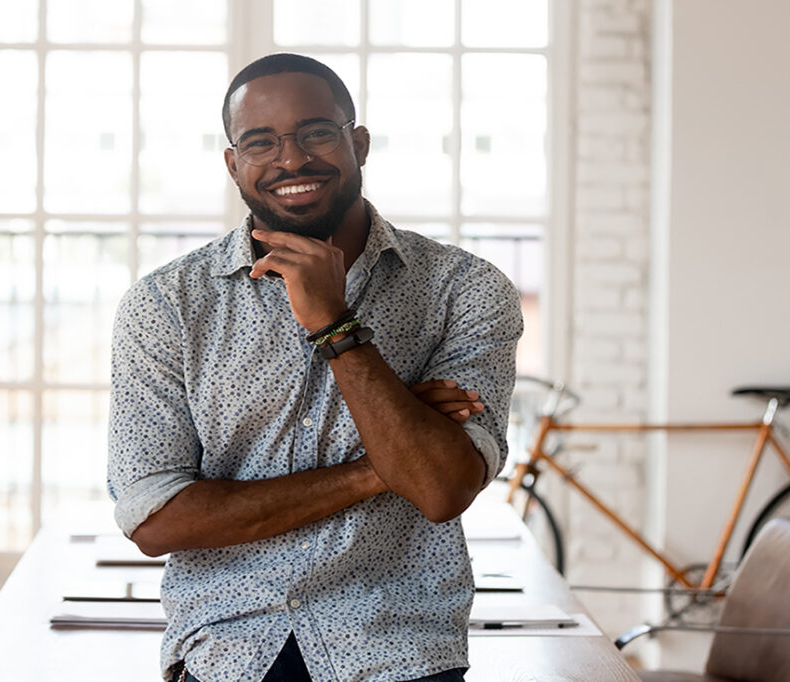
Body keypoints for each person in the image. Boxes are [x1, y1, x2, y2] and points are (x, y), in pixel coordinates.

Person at [108, 53, 522, 682]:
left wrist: (336, 325)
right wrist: (380, 466)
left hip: (400, 658)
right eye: (261, 141)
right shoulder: (167, 304)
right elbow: (158, 519)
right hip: (226, 655)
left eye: (316, 133)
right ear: (233, 163)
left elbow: (441, 490)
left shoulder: (464, 291)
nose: (293, 159)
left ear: (358, 142)